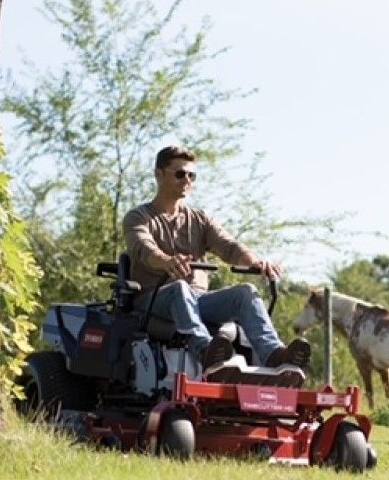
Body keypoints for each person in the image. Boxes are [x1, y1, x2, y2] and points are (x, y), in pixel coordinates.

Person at [122, 145, 311, 371]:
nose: (187, 180)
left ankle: (274, 355)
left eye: (192, 175)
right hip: (154, 299)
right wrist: (166, 261)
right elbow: (143, 247)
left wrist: (256, 262)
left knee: (245, 292)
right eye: (180, 174)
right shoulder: (138, 217)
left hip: (199, 299)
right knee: (180, 287)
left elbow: (229, 246)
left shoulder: (199, 219)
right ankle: (206, 351)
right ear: (159, 174)